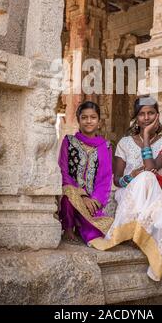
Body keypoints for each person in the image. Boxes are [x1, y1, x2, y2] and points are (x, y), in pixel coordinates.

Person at [90, 95, 162, 281]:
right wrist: (132, 177)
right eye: (142, 114)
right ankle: (137, 234)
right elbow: (118, 180)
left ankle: (140, 237)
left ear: (158, 115)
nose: (146, 118)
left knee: (148, 178)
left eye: (151, 113)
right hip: (129, 193)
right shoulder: (125, 143)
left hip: (155, 194)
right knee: (144, 178)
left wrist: (146, 137)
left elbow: (151, 168)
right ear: (136, 118)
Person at [58, 101, 113, 244]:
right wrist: (81, 195)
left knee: (98, 233)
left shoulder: (105, 146)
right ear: (78, 120)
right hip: (72, 194)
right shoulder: (69, 141)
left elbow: (105, 178)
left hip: (93, 199)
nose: (89, 121)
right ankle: (69, 228)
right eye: (84, 117)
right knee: (68, 197)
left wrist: (95, 199)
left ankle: (82, 226)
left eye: (93, 117)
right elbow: (63, 170)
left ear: (99, 121)